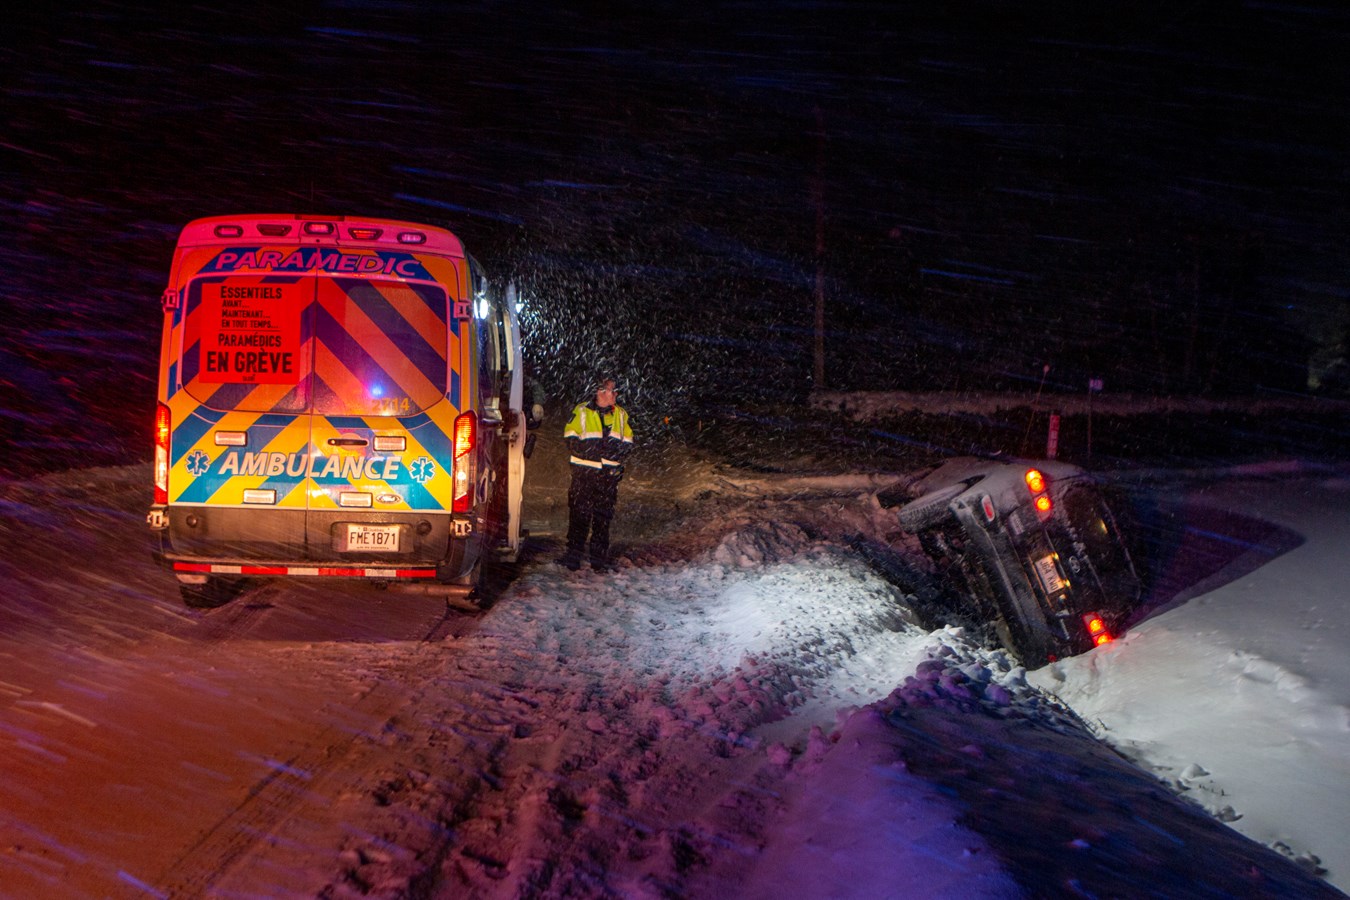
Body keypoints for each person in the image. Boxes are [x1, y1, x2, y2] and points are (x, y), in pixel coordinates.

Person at [561, 376, 634, 571]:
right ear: (600, 392)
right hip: (584, 475)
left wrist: (611, 453)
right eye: (613, 390)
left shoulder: (621, 415)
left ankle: (598, 561)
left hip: (608, 477)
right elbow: (570, 437)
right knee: (579, 517)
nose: (616, 394)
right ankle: (573, 559)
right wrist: (592, 452)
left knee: (602, 519)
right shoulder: (582, 411)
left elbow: (628, 442)